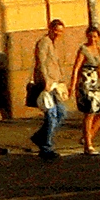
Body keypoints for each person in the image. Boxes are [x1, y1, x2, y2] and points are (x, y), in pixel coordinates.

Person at [27, 17, 71, 161]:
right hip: (46, 85)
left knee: (61, 113)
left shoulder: (53, 44)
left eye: (61, 32)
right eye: (57, 31)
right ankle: (46, 147)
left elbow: (55, 64)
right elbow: (41, 63)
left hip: (55, 84)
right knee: (51, 115)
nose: (59, 34)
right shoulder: (44, 43)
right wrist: (45, 81)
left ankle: (39, 137)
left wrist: (62, 81)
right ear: (51, 29)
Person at [73, 25, 100, 156]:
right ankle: (88, 145)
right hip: (86, 84)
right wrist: (73, 85)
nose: (92, 39)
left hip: (96, 84)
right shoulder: (83, 50)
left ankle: (88, 137)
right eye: (90, 36)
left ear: (99, 37)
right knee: (90, 113)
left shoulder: (98, 50)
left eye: (95, 36)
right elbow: (76, 68)